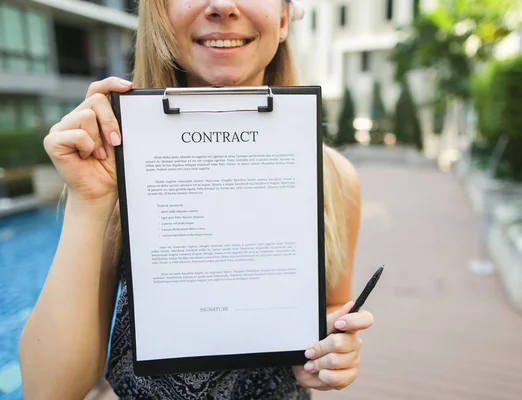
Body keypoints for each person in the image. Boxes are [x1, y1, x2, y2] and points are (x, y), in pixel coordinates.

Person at [18, 0, 374, 398]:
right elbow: (47, 391)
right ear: (160, 15)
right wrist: (89, 202)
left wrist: (327, 351)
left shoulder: (336, 180)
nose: (223, 5)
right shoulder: (113, 168)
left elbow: (330, 315)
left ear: (285, 18)